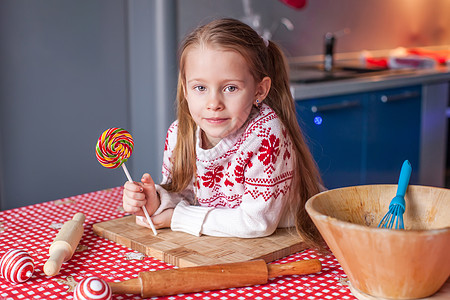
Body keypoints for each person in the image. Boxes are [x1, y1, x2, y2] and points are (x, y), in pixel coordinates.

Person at [122, 18, 323, 246]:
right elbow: (187, 196)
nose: (213, 103)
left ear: (260, 90)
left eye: (230, 88)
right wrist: (156, 201)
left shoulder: (266, 135)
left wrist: (176, 217)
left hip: (286, 242)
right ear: (185, 89)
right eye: (200, 88)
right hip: (227, 241)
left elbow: (257, 222)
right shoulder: (180, 134)